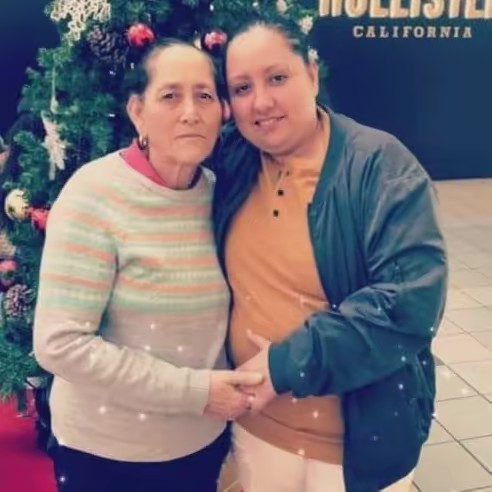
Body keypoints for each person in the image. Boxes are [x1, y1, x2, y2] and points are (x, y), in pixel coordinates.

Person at [210, 15, 448, 492]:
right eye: (242, 88)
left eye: (278, 77)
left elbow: (411, 303)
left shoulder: (379, 165)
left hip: (356, 448)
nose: (261, 102)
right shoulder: (232, 161)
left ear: (312, 74)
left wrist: (285, 364)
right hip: (258, 431)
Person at [33, 38, 262, 492]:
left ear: (222, 111)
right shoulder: (93, 194)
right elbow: (59, 344)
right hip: (107, 455)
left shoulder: (220, 194)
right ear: (138, 111)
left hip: (199, 445)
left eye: (204, 95)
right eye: (170, 95)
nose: (191, 113)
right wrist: (195, 392)